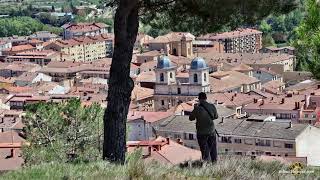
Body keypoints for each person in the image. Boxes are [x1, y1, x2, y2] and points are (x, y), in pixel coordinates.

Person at [189, 92, 219, 163]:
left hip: (201, 133)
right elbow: (216, 116)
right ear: (206, 98)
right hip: (211, 131)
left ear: (199, 99)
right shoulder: (212, 106)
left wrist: (195, 109)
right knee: (213, 150)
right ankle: (215, 165)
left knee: (205, 152)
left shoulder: (197, 108)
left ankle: (206, 166)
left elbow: (191, 118)